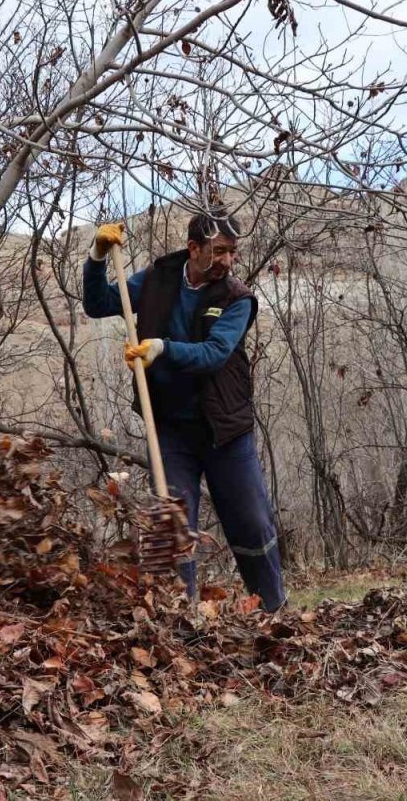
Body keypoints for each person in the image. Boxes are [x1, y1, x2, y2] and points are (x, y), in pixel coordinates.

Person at [82, 209, 286, 612]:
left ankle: (274, 611)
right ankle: (179, 617)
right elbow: (99, 303)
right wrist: (97, 257)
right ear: (194, 248)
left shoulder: (237, 298)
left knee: (251, 522)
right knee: (171, 524)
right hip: (171, 430)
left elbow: (214, 354)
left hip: (225, 430)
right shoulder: (157, 279)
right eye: (220, 251)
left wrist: (161, 348)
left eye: (233, 252)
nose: (229, 260)